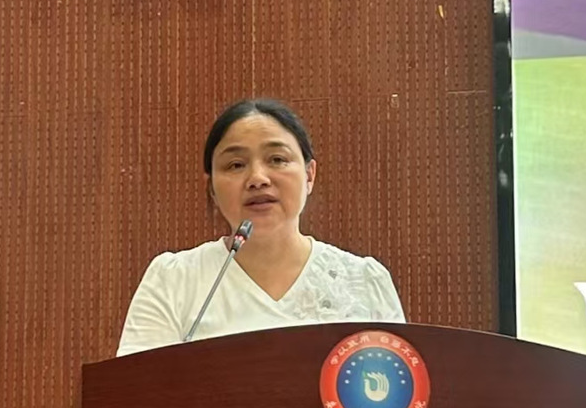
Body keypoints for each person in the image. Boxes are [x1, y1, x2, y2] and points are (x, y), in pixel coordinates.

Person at [116, 99, 406, 355]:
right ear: (212, 188)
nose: (257, 178)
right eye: (235, 165)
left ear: (309, 175)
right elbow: (136, 391)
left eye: (277, 160)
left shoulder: (364, 282)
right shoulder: (173, 281)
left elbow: (397, 393)